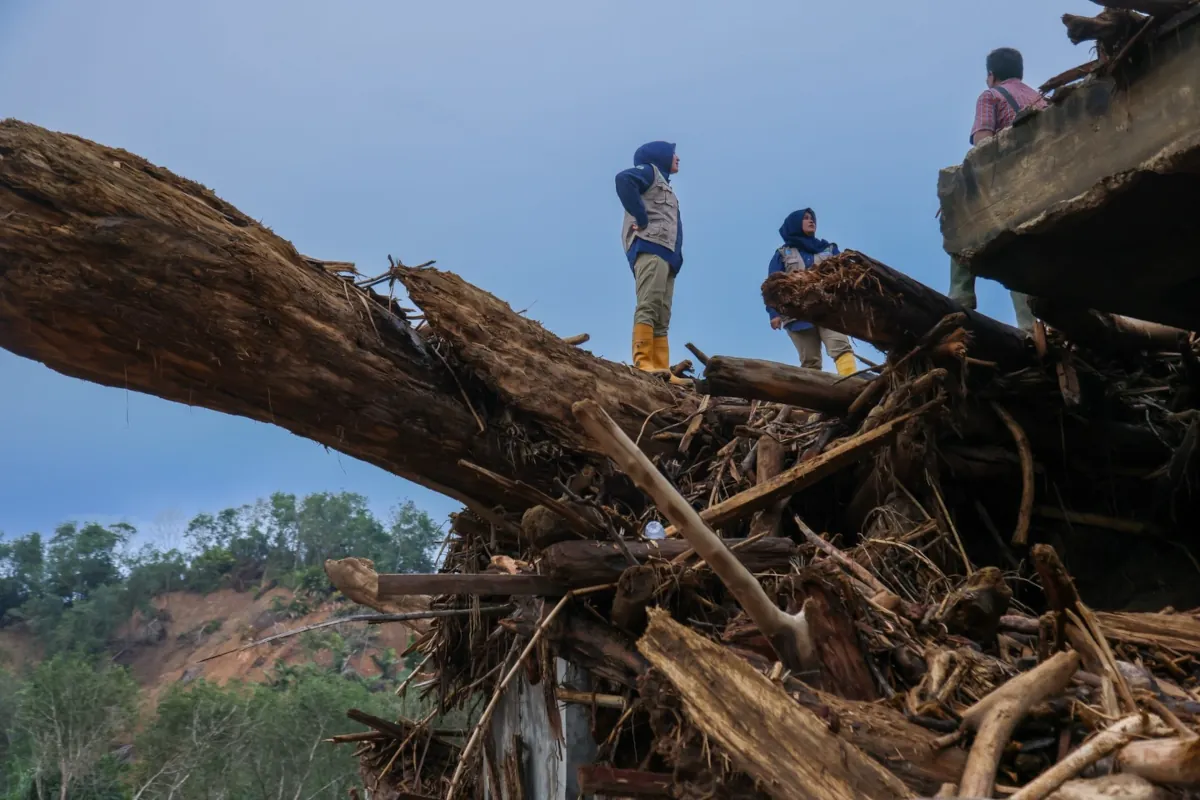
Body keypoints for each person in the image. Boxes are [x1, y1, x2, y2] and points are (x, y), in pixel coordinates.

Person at [948, 47, 1047, 332]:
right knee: (1022, 252)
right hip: (1047, 183)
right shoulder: (1040, 97)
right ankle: (1036, 325)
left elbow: (983, 146)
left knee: (959, 223)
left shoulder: (990, 96)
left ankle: (960, 301)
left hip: (1013, 186)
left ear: (991, 76)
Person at [615, 141, 682, 375]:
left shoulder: (665, 185)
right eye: (673, 153)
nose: (678, 158)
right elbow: (623, 179)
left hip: (666, 254)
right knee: (649, 305)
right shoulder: (649, 172)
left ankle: (662, 368)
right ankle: (643, 362)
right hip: (651, 248)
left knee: (663, 314)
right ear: (660, 155)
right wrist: (641, 219)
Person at [765, 208, 858, 376]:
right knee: (810, 361)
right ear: (794, 223)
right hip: (797, 314)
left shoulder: (829, 250)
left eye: (812, 218)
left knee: (841, 348)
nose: (811, 221)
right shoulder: (783, 254)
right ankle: (814, 398)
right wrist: (774, 314)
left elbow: (846, 276)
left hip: (829, 309)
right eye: (805, 218)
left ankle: (852, 385)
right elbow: (772, 286)